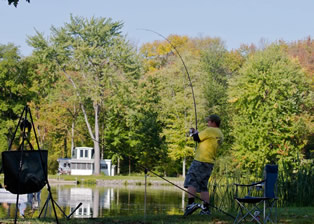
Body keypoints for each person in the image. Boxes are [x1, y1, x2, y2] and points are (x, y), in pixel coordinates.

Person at [183, 114, 224, 216]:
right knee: (203, 186)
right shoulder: (220, 134)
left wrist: (192, 133)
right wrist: (196, 133)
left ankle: (191, 205)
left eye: (209, 121)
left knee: (191, 181)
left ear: (213, 123)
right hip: (209, 163)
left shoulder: (210, 130)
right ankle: (205, 210)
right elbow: (203, 138)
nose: (207, 123)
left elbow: (197, 138)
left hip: (200, 161)